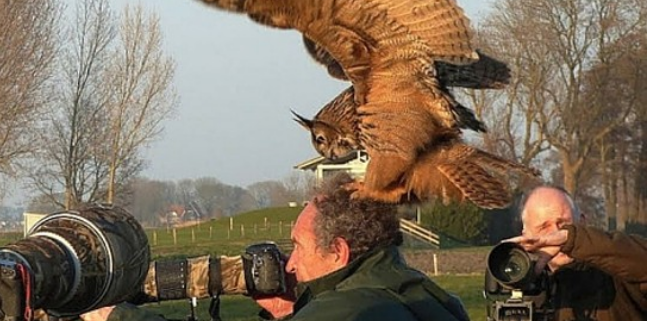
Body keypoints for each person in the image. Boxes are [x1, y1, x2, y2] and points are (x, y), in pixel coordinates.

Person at [82, 174, 469, 321]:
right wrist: (292, 313)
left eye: (299, 247)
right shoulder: (436, 299)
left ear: (339, 251)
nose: (291, 264)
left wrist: (119, 317)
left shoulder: (348, 310)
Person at [504, 185, 647, 320]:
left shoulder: (616, 273)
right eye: (544, 227)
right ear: (526, 234)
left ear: (582, 223)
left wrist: (571, 239)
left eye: (563, 223)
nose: (555, 233)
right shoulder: (532, 289)